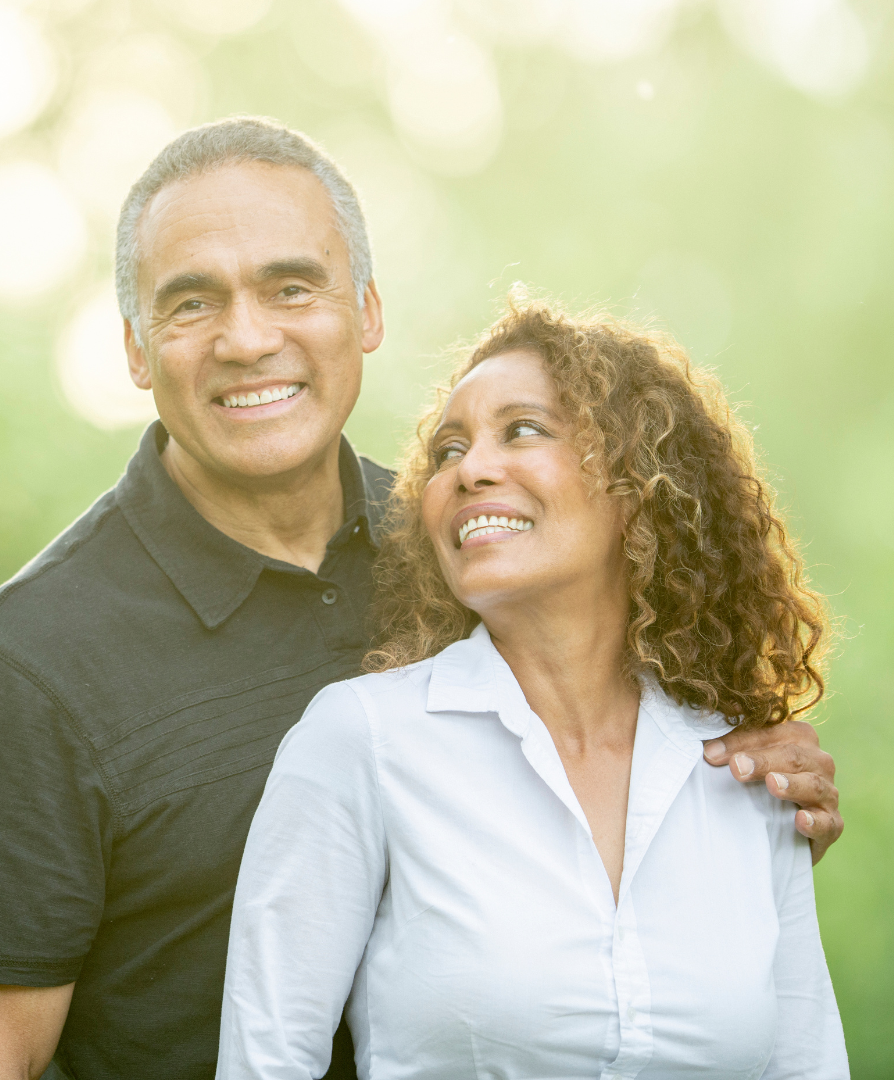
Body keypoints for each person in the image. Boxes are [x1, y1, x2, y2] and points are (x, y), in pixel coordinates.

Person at [0, 117, 845, 1080]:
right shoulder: (27, 671)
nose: (247, 337)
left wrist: (748, 801)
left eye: (291, 287)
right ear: (139, 351)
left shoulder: (489, 555)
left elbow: (631, 793)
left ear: (367, 313)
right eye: (191, 304)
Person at [218, 301, 847, 1078]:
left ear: (637, 486)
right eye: (449, 450)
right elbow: (265, 1061)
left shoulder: (745, 774)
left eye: (523, 430)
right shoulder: (364, 740)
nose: (469, 469)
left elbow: (808, 1063)